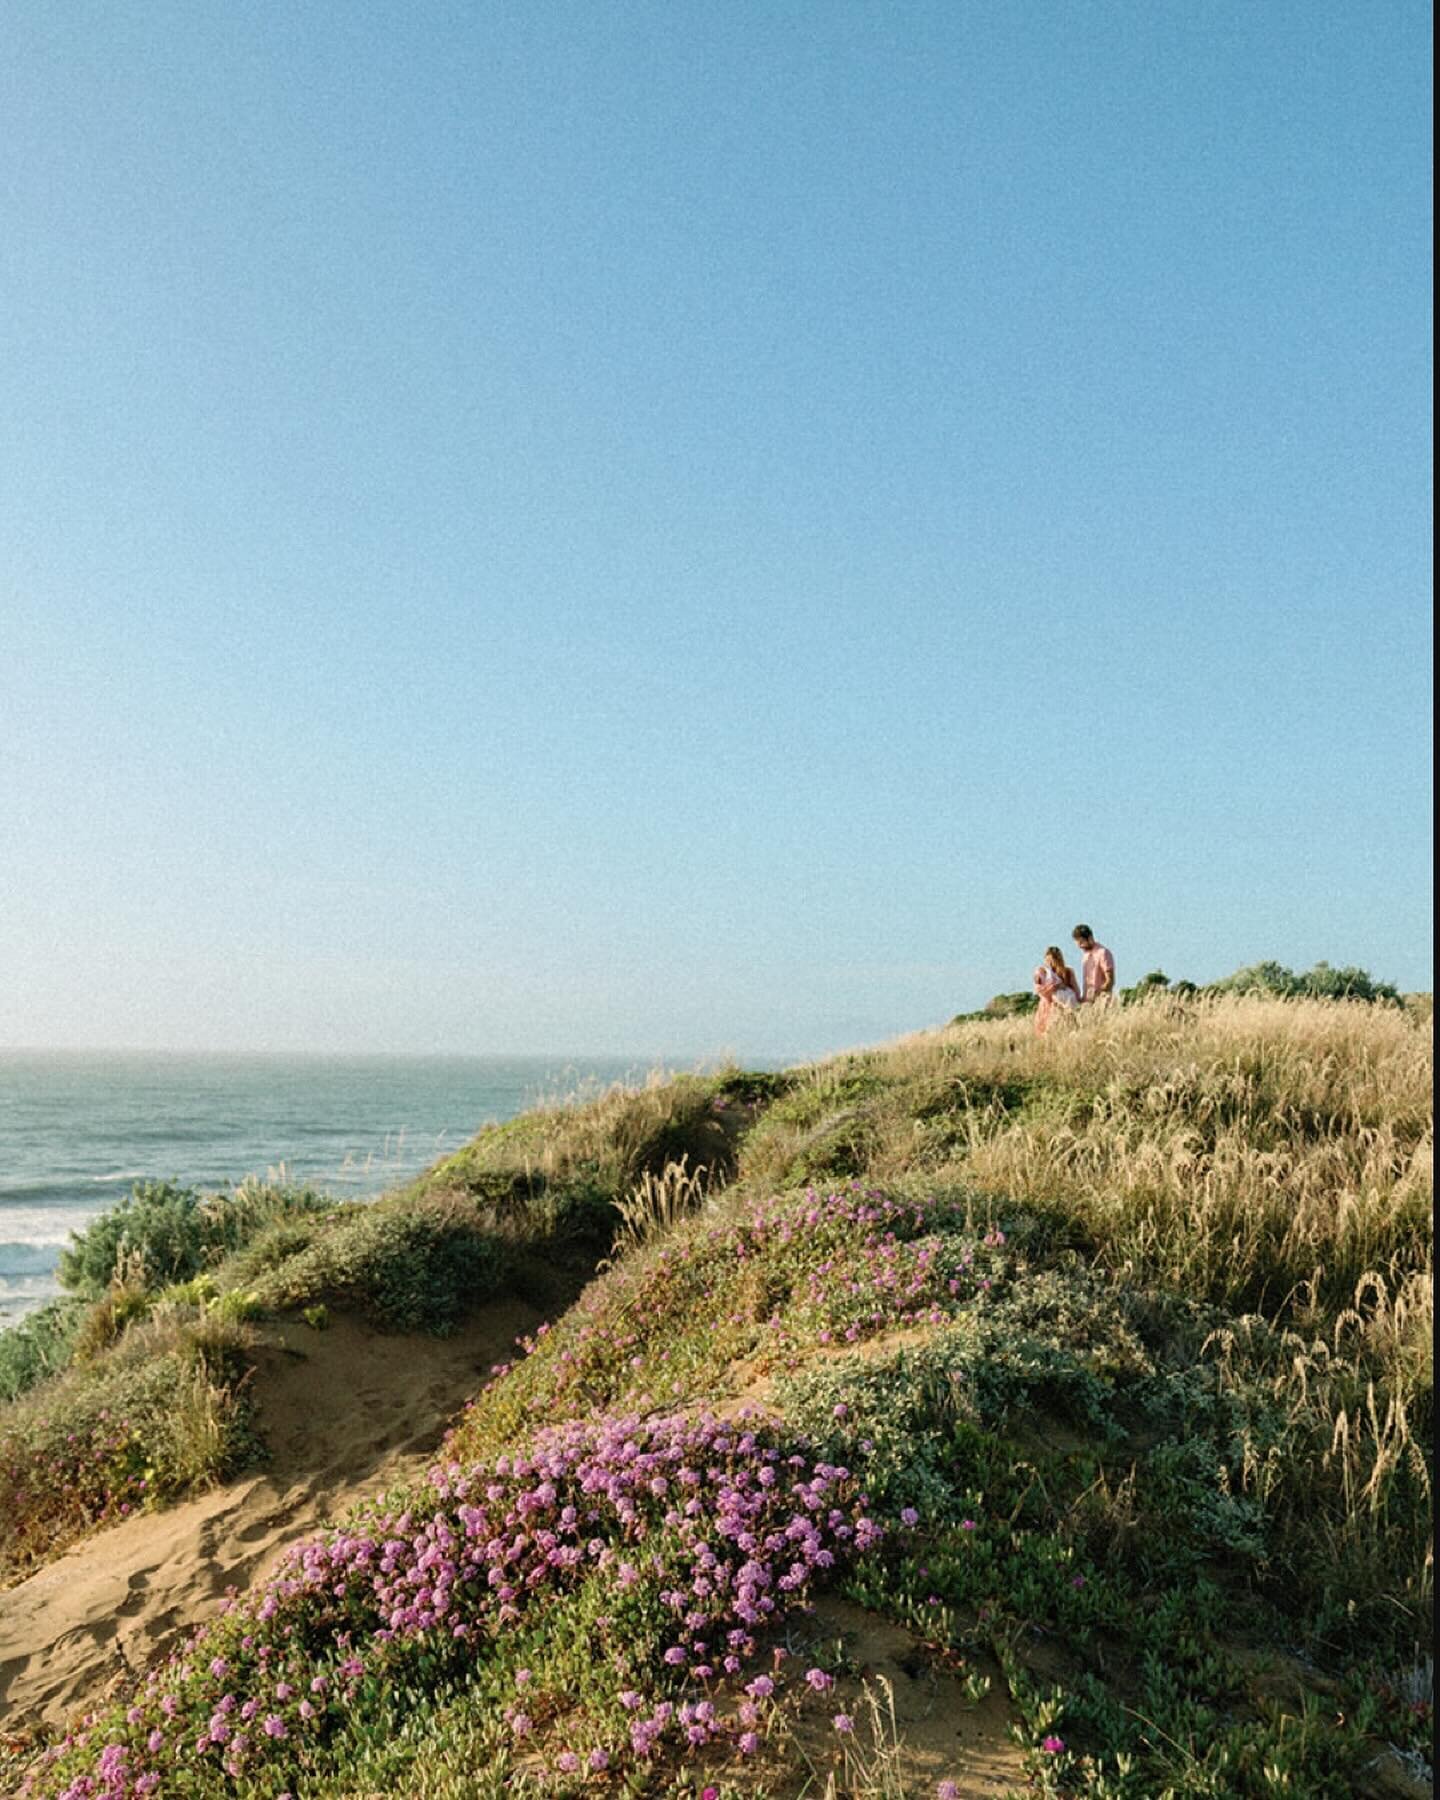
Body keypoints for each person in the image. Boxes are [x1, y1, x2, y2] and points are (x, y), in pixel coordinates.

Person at [1032, 945, 1081, 1035]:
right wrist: (1055, 987)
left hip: (1065, 1007)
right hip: (1047, 1007)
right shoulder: (1041, 971)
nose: (1049, 963)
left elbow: (1076, 990)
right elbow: (1038, 990)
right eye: (1047, 960)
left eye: (1052, 961)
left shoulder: (1068, 971)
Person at [1072, 924, 1116, 1006]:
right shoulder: (1085, 956)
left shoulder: (1103, 953)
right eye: (1078, 943)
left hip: (1102, 1001)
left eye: (1081, 942)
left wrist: (1098, 994)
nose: (1080, 946)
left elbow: (1110, 981)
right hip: (1088, 1003)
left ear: (1090, 938)